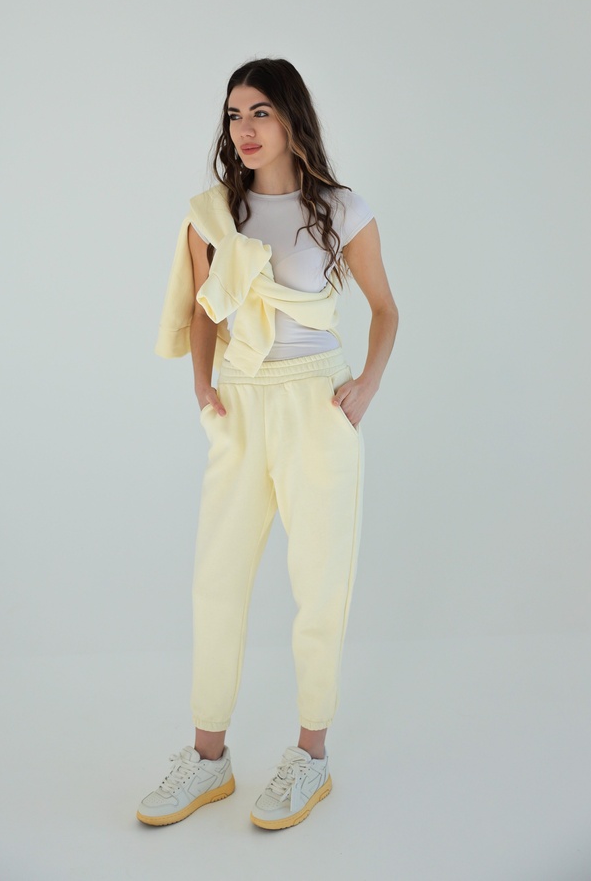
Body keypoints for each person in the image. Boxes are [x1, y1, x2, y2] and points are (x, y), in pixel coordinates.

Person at [137, 57, 398, 831]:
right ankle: (207, 759)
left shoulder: (341, 208)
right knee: (216, 582)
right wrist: (203, 389)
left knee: (320, 584)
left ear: (291, 118)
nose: (243, 129)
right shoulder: (214, 213)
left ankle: (310, 757)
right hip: (240, 406)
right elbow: (203, 310)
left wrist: (365, 387)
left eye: (259, 112)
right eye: (233, 115)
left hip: (316, 402)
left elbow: (385, 309)